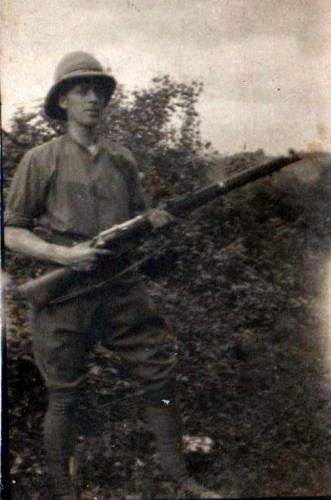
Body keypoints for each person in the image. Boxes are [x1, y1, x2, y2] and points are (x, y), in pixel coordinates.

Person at [4, 52, 221, 499]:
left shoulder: (122, 159)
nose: (93, 99)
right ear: (62, 101)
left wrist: (155, 222)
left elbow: (139, 221)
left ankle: (179, 478)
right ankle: (65, 491)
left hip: (121, 287)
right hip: (65, 292)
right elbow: (11, 232)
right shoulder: (39, 160)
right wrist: (64, 257)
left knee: (158, 375)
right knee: (64, 393)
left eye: (100, 91)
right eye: (82, 90)